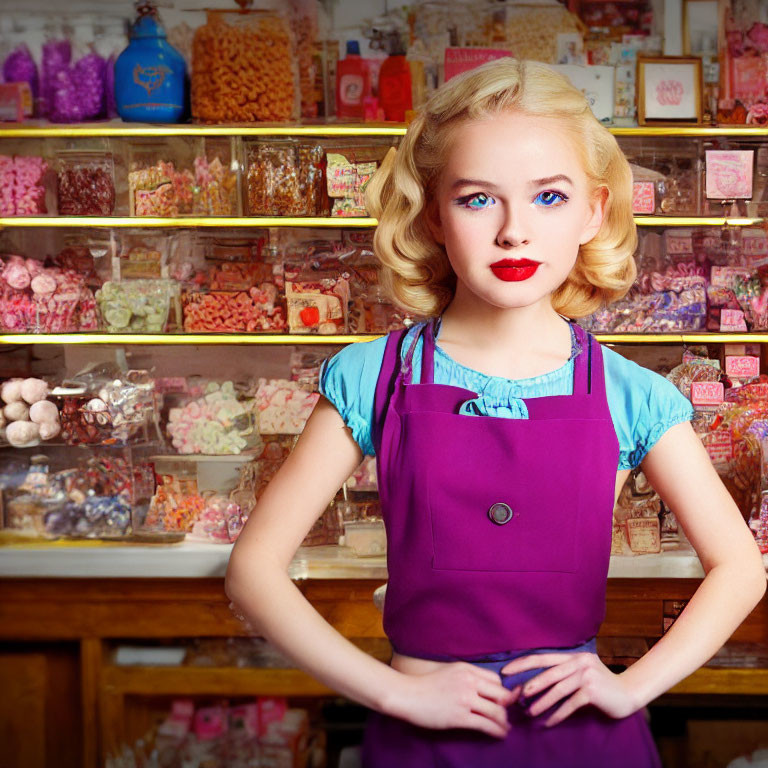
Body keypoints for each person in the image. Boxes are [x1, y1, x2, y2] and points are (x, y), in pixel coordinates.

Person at [226, 58, 767, 768]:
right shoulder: (374, 378)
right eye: (478, 200)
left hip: (585, 745)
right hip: (423, 742)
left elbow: (740, 567)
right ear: (433, 216)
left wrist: (634, 688)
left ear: (593, 212)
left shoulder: (628, 391)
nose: (514, 231)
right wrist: (394, 694)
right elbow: (254, 571)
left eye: (548, 197)